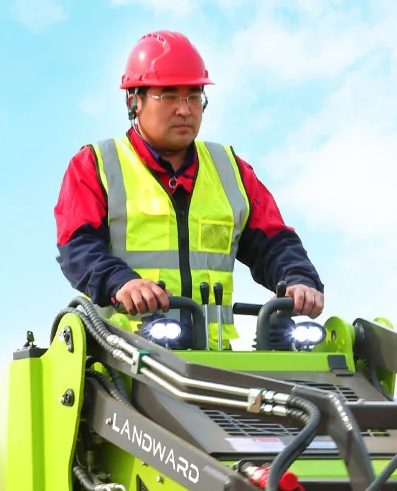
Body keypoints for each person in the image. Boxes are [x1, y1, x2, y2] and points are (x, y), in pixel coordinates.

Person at [54, 30, 324, 337]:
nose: (185, 109)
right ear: (134, 102)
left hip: (216, 364)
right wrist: (122, 282)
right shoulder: (96, 165)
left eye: (194, 96)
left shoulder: (230, 169)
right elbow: (78, 247)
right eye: (168, 95)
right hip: (124, 359)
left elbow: (274, 242)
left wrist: (299, 280)